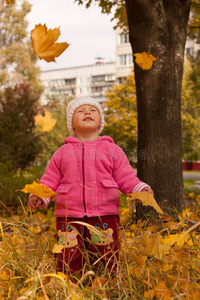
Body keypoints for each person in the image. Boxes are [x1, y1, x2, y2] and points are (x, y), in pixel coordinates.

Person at [28, 96, 153, 278]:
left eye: (93, 110)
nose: (87, 112)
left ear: (100, 121)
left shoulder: (113, 150)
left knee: (106, 252)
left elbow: (126, 177)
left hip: (105, 213)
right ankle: (68, 282)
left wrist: (139, 188)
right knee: (68, 253)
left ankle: (108, 281)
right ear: (72, 123)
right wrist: (39, 195)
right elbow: (50, 180)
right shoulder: (62, 153)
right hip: (69, 215)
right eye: (81, 111)